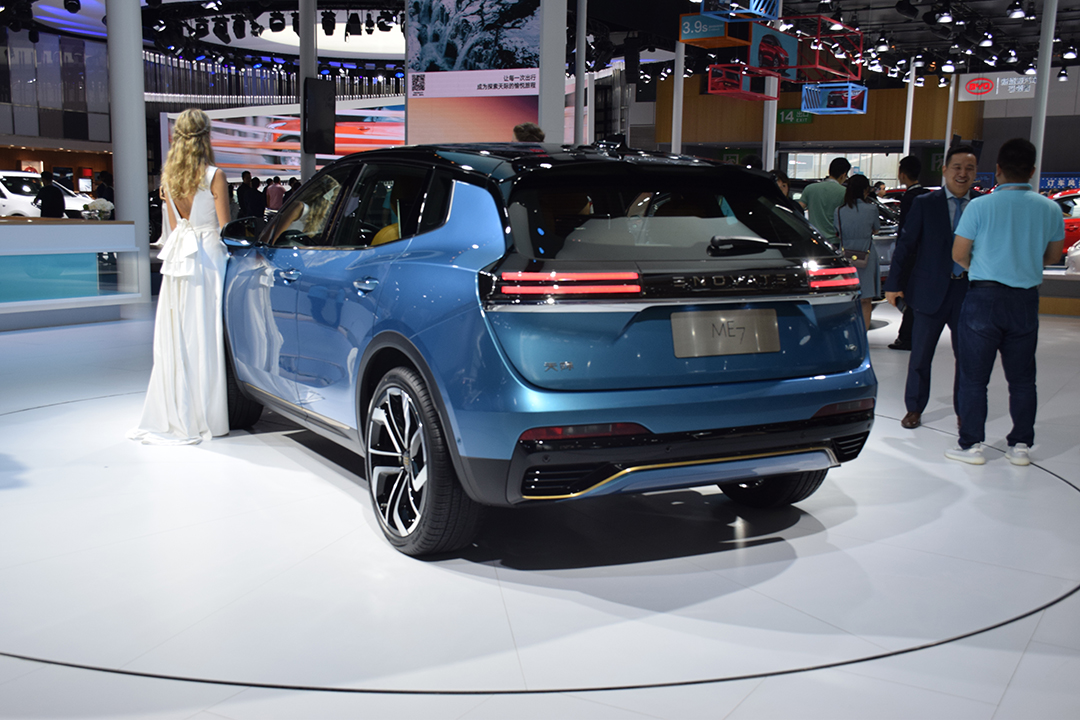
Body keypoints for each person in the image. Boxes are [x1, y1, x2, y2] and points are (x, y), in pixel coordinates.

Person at [947, 138, 1065, 465]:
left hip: (982, 297)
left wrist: (982, 267)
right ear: (1032, 171)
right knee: (1023, 379)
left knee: (973, 378)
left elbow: (959, 254)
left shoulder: (979, 206)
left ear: (998, 169)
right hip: (1024, 300)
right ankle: (1021, 445)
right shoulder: (1049, 208)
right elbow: (1053, 256)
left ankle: (971, 446)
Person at [128, 108, 231, 445]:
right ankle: (208, 415)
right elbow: (226, 229)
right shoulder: (214, 175)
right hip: (209, 259)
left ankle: (181, 409)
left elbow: (174, 228)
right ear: (206, 136)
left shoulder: (169, 180)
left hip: (179, 260)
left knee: (181, 334)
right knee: (206, 334)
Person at [884, 145, 980, 430]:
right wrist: (893, 284)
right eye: (957, 167)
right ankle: (914, 408)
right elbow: (905, 245)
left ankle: (964, 411)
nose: (962, 173)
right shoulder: (925, 203)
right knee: (920, 356)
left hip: (968, 292)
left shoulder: (982, 205)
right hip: (928, 291)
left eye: (969, 168)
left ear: (975, 172)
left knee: (967, 358)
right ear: (945, 170)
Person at [887, 155, 932, 351]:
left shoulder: (909, 199)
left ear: (902, 174)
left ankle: (907, 337)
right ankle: (911, 335)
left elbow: (905, 233)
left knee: (908, 296)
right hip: (925, 254)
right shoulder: (928, 195)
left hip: (911, 255)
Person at [834, 174, 881, 330]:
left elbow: (837, 232)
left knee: (848, 298)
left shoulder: (839, 211)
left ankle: (849, 333)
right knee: (866, 299)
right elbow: (876, 229)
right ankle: (863, 334)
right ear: (865, 190)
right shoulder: (872, 209)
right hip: (867, 254)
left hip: (846, 256)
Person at [800, 157, 850, 241]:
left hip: (814, 239)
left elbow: (798, 208)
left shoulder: (810, 188)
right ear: (843, 175)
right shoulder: (845, 192)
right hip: (834, 240)